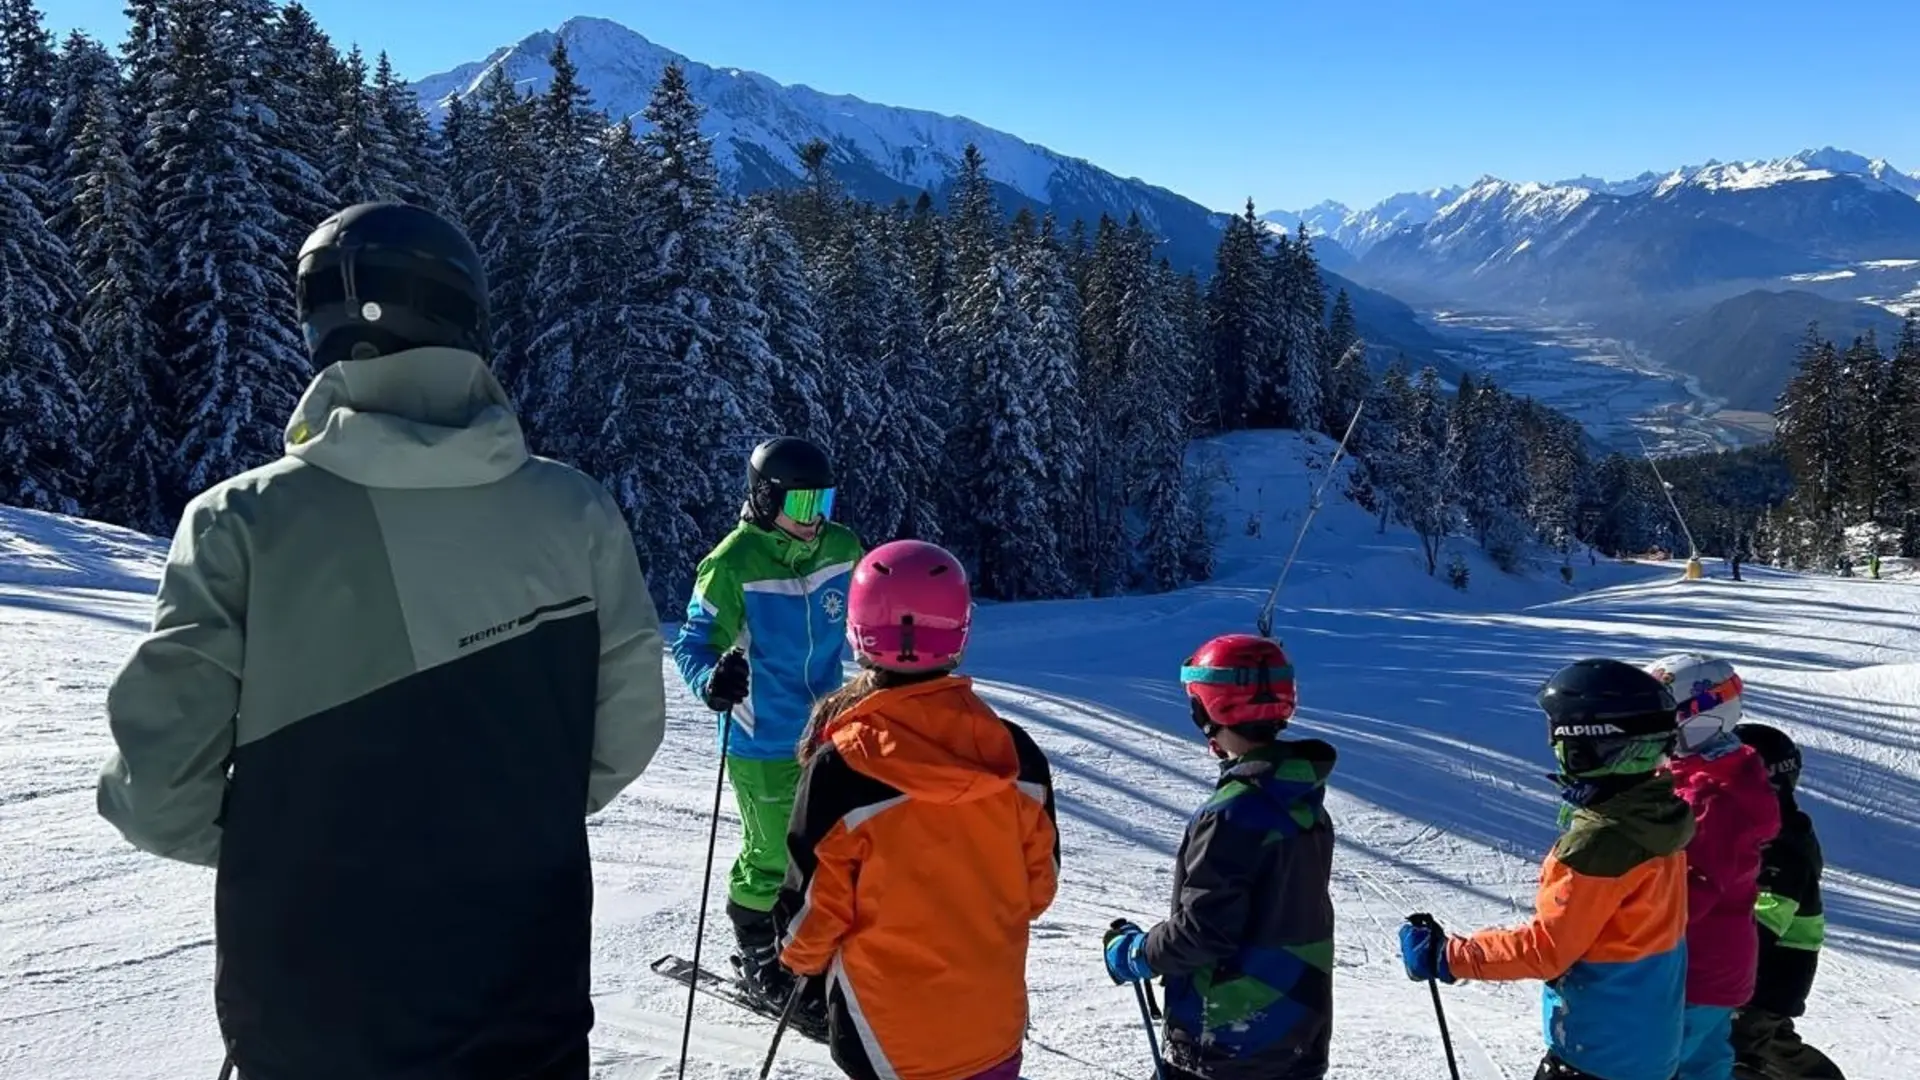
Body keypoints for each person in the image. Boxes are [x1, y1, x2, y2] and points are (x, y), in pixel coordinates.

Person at [95, 202, 668, 1080]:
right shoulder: (574, 511)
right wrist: (505, 821)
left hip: (308, 1010)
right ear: (464, 317)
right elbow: (625, 731)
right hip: (524, 993)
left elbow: (160, 794)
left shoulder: (240, 523)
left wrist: (300, 845)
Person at [773, 540, 1058, 1080]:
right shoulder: (1014, 755)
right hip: (990, 1024)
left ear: (858, 635)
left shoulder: (842, 768)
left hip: (886, 1033)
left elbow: (813, 913)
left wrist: (797, 962)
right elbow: (1038, 889)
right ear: (959, 632)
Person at [1399, 658, 1694, 1080]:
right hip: (1646, 1049)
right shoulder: (1657, 814)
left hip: (1598, 1057)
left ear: (1583, 745)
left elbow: (1546, 951)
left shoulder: (1601, 843)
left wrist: (1447, 957)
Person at [671, 437, 864, 1006]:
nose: (816, 520)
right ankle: (760, 957)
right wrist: (711, 682)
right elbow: (694, 641)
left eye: (823, 504)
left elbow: (870, 610)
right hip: (763, 737)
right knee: (772, 853)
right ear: (763, 499)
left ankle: (809, 941)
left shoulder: (842, 548)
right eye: (803, 507)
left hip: (830, 730)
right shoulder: (732, 563)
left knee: (833, 846)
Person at [1102, 634, 1336, 1080]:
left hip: (1229, 1039)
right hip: (1296, 1029)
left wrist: (1136, 953)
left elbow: (1204, 931)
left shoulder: (1232, 814)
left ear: (1207, 711)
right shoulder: (1303, 801)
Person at [1644, 655, 1781, 1080]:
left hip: (1697, 968)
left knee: (1662, 1062)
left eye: (1659, 722)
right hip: (1715, 966)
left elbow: (1691, 890)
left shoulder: (1710, 797)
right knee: (1701, 1061)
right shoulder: (1715, 777)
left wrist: (1625, 926)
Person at [1730, 724, 1845, 1080]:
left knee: (1740, 1043)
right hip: (1757, 981)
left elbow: (1766, 916)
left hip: (1765, 978)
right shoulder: (1760, 832)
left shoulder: (1781, 844)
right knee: (1768, 1045)